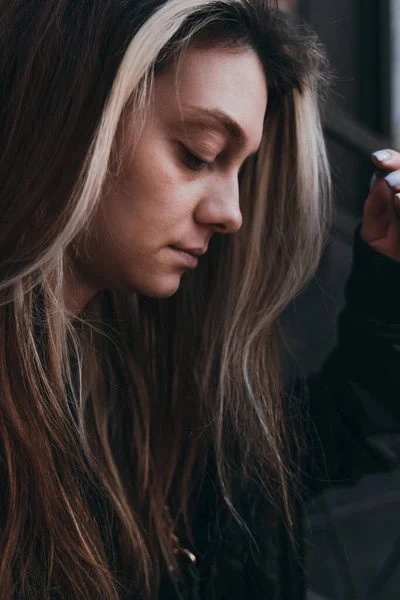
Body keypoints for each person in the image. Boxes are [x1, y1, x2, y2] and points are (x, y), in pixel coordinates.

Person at [0, 0, 399, 598]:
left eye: (240, 170)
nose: (231, 214)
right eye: (200, 154)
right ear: (73, 117)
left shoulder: (129, 382)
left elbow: (285, 460)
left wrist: (386, 292)